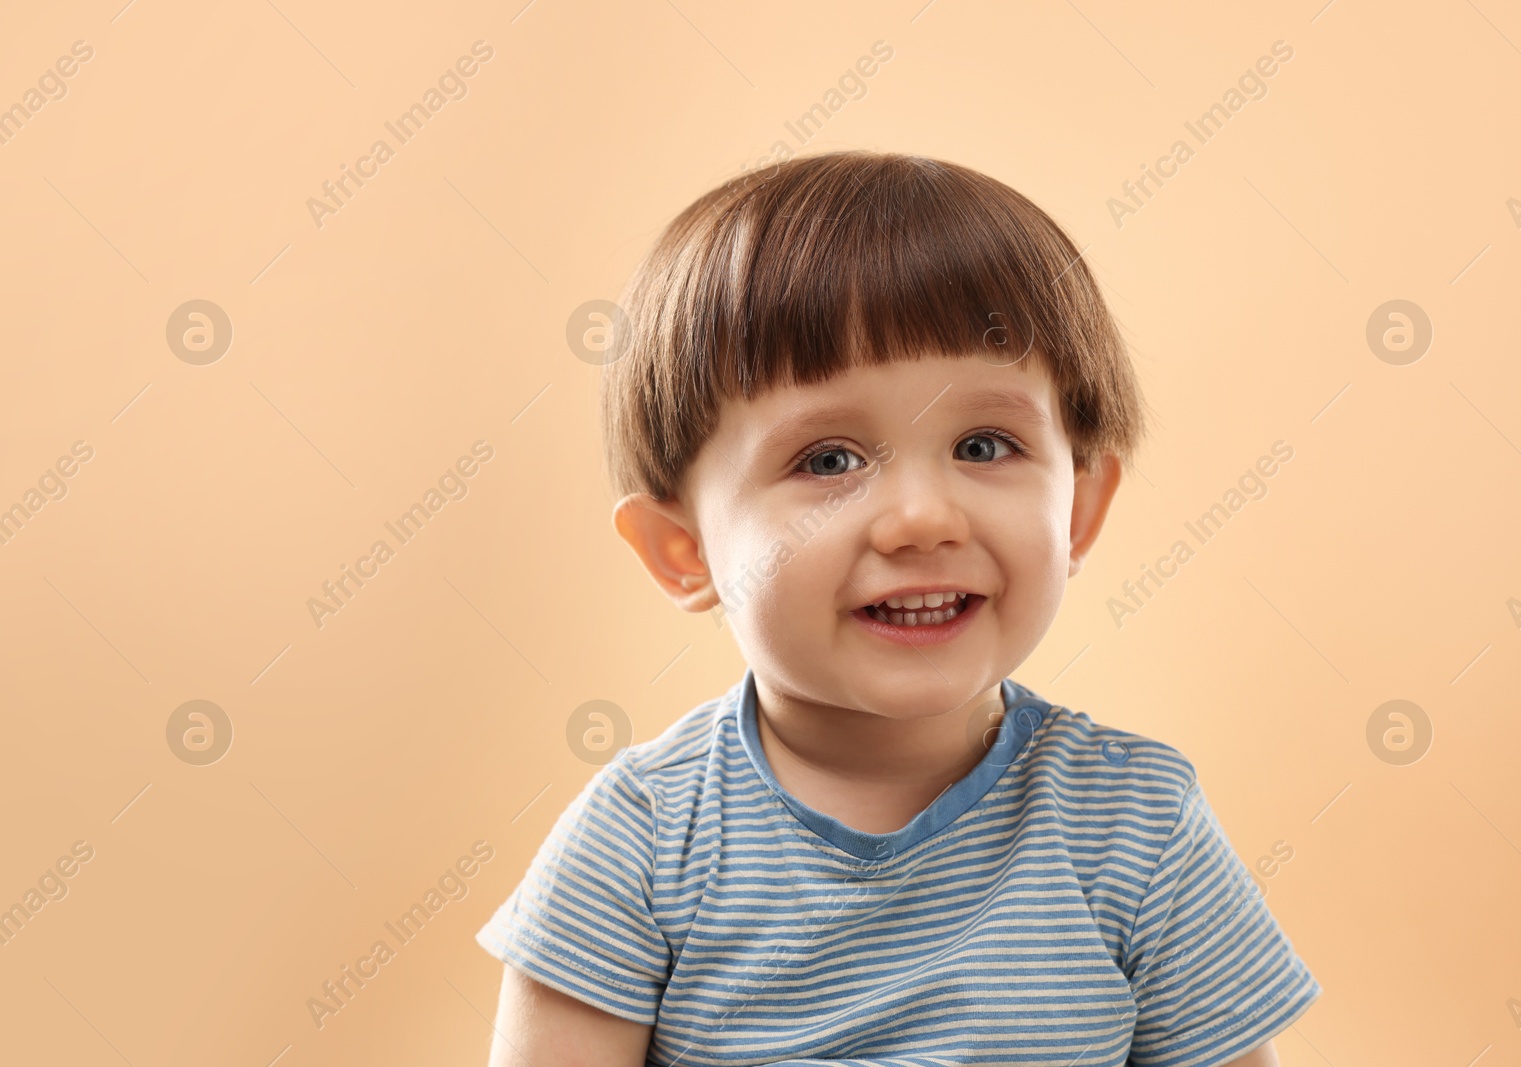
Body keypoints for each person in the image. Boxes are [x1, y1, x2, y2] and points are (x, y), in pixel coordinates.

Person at [474, 150, 1320, 1066]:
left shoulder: (1135, 828)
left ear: (1079, 507)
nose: (921, 517)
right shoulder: (639, 844)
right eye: (828, 460)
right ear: (683, 551)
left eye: (984, 443)